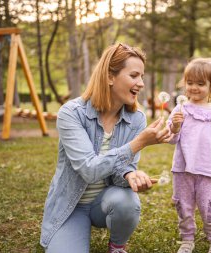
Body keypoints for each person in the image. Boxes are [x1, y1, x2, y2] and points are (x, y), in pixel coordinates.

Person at [40, 43, 172, 253]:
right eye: (134, 75)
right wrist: (139, 143)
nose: (141, 84)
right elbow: (89, 169)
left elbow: (121, 172)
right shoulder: (72, 113)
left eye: (142, 77)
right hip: (70, 207)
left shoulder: (136, 119)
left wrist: (131, 175)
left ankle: (117, 246)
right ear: (110, 77)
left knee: (126, 201)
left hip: (105, 202)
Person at [167, 58, 211, 253]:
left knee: (210, 206)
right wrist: (175, 126)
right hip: (182, 170)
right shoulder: (180, 110)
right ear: (184, 83)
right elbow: (170, 139)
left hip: (208, 169)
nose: (194, 87)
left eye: (200, 84)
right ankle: (187, 239)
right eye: (190, 83)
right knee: (184, 206)